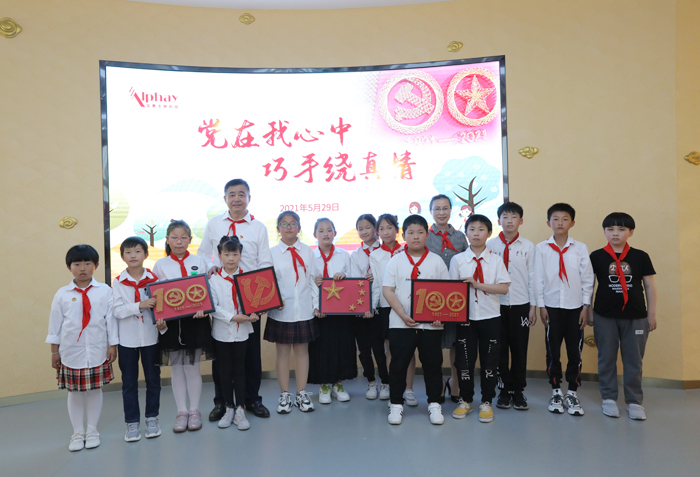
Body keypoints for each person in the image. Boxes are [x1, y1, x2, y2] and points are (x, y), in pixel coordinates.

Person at [198, 178, 272, 421]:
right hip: (221, 291)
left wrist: (262, 300)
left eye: (242, 194)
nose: (237, 198)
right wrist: (210, 267)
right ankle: (222, 402)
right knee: (222, 357)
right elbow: (202, 253)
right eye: (232, 194)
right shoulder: (213, 224)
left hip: (250, 295)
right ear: (225, 198)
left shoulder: (258, 227)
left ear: (249, 198)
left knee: (250, 354)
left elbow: (265, 262)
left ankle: (251, 399)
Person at [46, 245, 117, 451]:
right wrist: (54, 351)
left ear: (96, 265)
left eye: (87, 263)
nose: (83, 268)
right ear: (69, 267)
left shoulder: (105, 291)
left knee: (95, 390)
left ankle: (92, 430)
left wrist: (113, 345)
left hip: (97, 349)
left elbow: (111, 320)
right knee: (74, 392)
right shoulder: (62, 294)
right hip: (71, 351)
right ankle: (77, 432)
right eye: (77, 264)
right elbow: (55, 325)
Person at [588, 212, 657, 420]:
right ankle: (608, 398)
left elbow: (649, 286)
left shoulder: (640, 256)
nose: (615, 233)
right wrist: (588, 310)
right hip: (604, 316)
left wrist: (651, 314)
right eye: (610, 229)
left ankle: (634, 401)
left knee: (634, 360)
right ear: (604, 232)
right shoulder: (597, 256)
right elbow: (589, 285)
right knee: (606, 358)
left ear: (631, 232)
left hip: (636, 316)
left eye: (621, 229)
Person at [383, 215, 449, 426]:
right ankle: (396, 404)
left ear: (427, 235)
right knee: (398, 365)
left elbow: (446, 292)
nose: (416, 236)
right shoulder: (395, 261)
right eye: (410, 232)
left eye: (420, 232)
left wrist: (439, 317)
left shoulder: (436, 261)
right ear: (404, 235)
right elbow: (388, 290)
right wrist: (402, 314)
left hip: (430, 326)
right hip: (400, 324)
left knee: (433, 365)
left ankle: (434, 403)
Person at [153, 220, 215, 432]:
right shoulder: (160, 265)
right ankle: (181, 411)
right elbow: (157, 296)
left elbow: (207, 290)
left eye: (183, 238)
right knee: (177, 368)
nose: (179, 242)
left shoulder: (199, 261)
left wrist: (204, 307)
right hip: (171, 324)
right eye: (174, 238)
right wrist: (159, 317)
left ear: (190, 239)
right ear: (167, 240)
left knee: (192, 367)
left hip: (196, 322)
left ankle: (195, 410)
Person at [534, 203, 594, 416]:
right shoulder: (541, 248)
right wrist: (541, 305)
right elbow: (538, 278)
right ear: (548, 222)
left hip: (575, 308)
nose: (560, 223)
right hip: (551, 307)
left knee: (575, 351)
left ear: (573, 223)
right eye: (555, 219)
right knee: (553, 351)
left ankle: (572, 392)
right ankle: (556, 391)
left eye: (565, 219)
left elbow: (587, 279)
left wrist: (586, 306)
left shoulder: (580, 248)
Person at [449, 215, 510, 423]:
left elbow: (503, 288)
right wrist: (458, 315)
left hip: (490, 317)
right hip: (465, 319)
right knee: (464, 362)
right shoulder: (458, 260)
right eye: (472, 229)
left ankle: (486, 401)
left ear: (489, 233)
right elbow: (452, 292)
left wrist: (477, 285)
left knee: (490, 361)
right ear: (466, 233)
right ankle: (465, 400)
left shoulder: (496, 260)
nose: (476, 233)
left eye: (481, 229)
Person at [265, 211, 319, 414]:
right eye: (284, 223)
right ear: (278, 228)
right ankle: (285, 394)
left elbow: (313, 279)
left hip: (304, 310)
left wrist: (316, 305)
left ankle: (302, 393)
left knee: (303, 352)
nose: (288, 227)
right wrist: (272, 301)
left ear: (299, 227)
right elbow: (267, 282)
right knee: (282, 353)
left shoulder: (307, 251)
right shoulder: (271, 253)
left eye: (292, 223)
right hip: (282, 311)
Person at [486, 202, 537, 411]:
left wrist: (533, 307)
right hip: (495, 305)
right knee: (499, 350)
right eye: (505, 217)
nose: (509, 221)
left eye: (514, 217)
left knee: (519, 349)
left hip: (520, 304)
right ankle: (504, 390)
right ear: (499, 221)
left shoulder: (528, 246)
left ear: (521, 221)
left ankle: (518, 390)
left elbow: (533, 277)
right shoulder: (490, 246)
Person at [112, 237, 161, 442]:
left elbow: (162, 308)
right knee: (129, 383)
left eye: (138, 251)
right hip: (127, 340)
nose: (133, 255)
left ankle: (152, 418)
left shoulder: (155, 279)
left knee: (153, 381)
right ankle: (132, 423)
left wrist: (163, 324)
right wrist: (140, 305)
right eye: (128, 252)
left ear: (146, 255)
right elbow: (117, 311)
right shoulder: (117, 282)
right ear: (122, 256)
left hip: (151, 337)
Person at [209, 236, 259, 430]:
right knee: (224, 370)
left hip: (242, 332)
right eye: (226, 254)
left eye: (235, 254)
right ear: (219, 256)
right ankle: (228, 407)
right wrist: (232, 317)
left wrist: (254, 313)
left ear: (240, 255)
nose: (231, 258)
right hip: (222, 332)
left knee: (240, 370)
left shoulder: (248, 278)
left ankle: (240, 409)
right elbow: (213, 307)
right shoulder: (214, 280)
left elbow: (254, 301)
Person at [308, 218, 357, 404]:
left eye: (329, 230)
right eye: (321, 231)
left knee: (341, 345)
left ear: (335, 233)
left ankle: (338, 383)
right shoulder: (310, 256)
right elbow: (309, 283)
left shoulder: (344, 255)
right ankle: (324, 384)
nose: (325, 234)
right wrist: (316, 306)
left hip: (341, 310)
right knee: (322, 347)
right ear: (315, 235)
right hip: (320, 311)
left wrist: (344, 276)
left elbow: (353, 279)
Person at [425, 194, 468, 404]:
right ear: (431, 212)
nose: (441, 212)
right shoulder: (424, 236)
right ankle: (438, 384)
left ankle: (455, 383)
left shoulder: (460, 237)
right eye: (437, 209)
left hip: (455, 300)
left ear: (451, 210)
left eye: (445, 208)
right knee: (433, 346)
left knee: (455, 344)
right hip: (431, 299)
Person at [369, 214, 416, 404]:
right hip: (386, 306)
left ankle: (409, 389)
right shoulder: (375, 255)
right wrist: (372, 306)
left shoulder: (407, 250)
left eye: (389, 227)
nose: (386, 232)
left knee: (408, 349)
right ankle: (391, 384)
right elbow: (376, 284)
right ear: (377, 232)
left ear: (397, 230)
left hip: (407, 304)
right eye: (381, 228)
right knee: (391, 348)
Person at [349, 214, 388, 400]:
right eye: (360, 228)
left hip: (380, 307)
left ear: (376, 229)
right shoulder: (355, 255)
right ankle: (371, 382)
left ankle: (386, 382)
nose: (364, 231)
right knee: (364, 350)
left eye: (367, 227)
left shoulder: (385, 252)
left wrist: (376, 279)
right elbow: (354, 281)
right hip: (360, 309)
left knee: (380, 349)